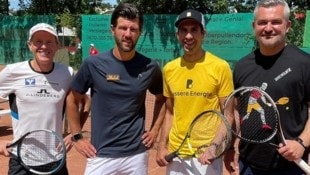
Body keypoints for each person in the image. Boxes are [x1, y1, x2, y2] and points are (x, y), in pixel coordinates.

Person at [66, 3, 166, 175]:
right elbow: (72, 99)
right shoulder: (93, 64)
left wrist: (155, 130)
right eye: (123, 28)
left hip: (137, 155)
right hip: (100, 155)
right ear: (113, 30)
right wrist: (77, 136)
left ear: (140, 32)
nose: (128, 34)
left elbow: (162, 98)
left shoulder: (150, 67)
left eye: (133, 29)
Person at [227, 0, 310, 174]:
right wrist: (228, 148)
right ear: (254, 26)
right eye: (262, 22)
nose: (268, 28)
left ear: (288, 25)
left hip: (290, 166)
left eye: (276, 22)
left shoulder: (304, 63)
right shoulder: (242, 66)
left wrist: (302, 142)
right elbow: (235, 111)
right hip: (248, 165)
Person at [156, 9, 234, 175]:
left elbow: (228, 116)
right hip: (176, 154)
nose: (188, 36)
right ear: (177, 35)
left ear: (203, 33)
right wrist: (162, 146)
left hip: (206, 156)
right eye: (184, 30)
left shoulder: (220, 67)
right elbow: (170, 112)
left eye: (194, 30)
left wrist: (214, 147)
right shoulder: (169, 69)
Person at [0, 23, 74, 174]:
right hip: (21, 159)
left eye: (49, 42)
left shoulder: (67, 73)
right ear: (30, 45)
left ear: (57, 46)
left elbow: (86, 101)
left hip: (56, 159)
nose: (44, 47)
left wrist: (75, 134)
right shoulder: (13, 72)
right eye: (38, 41)